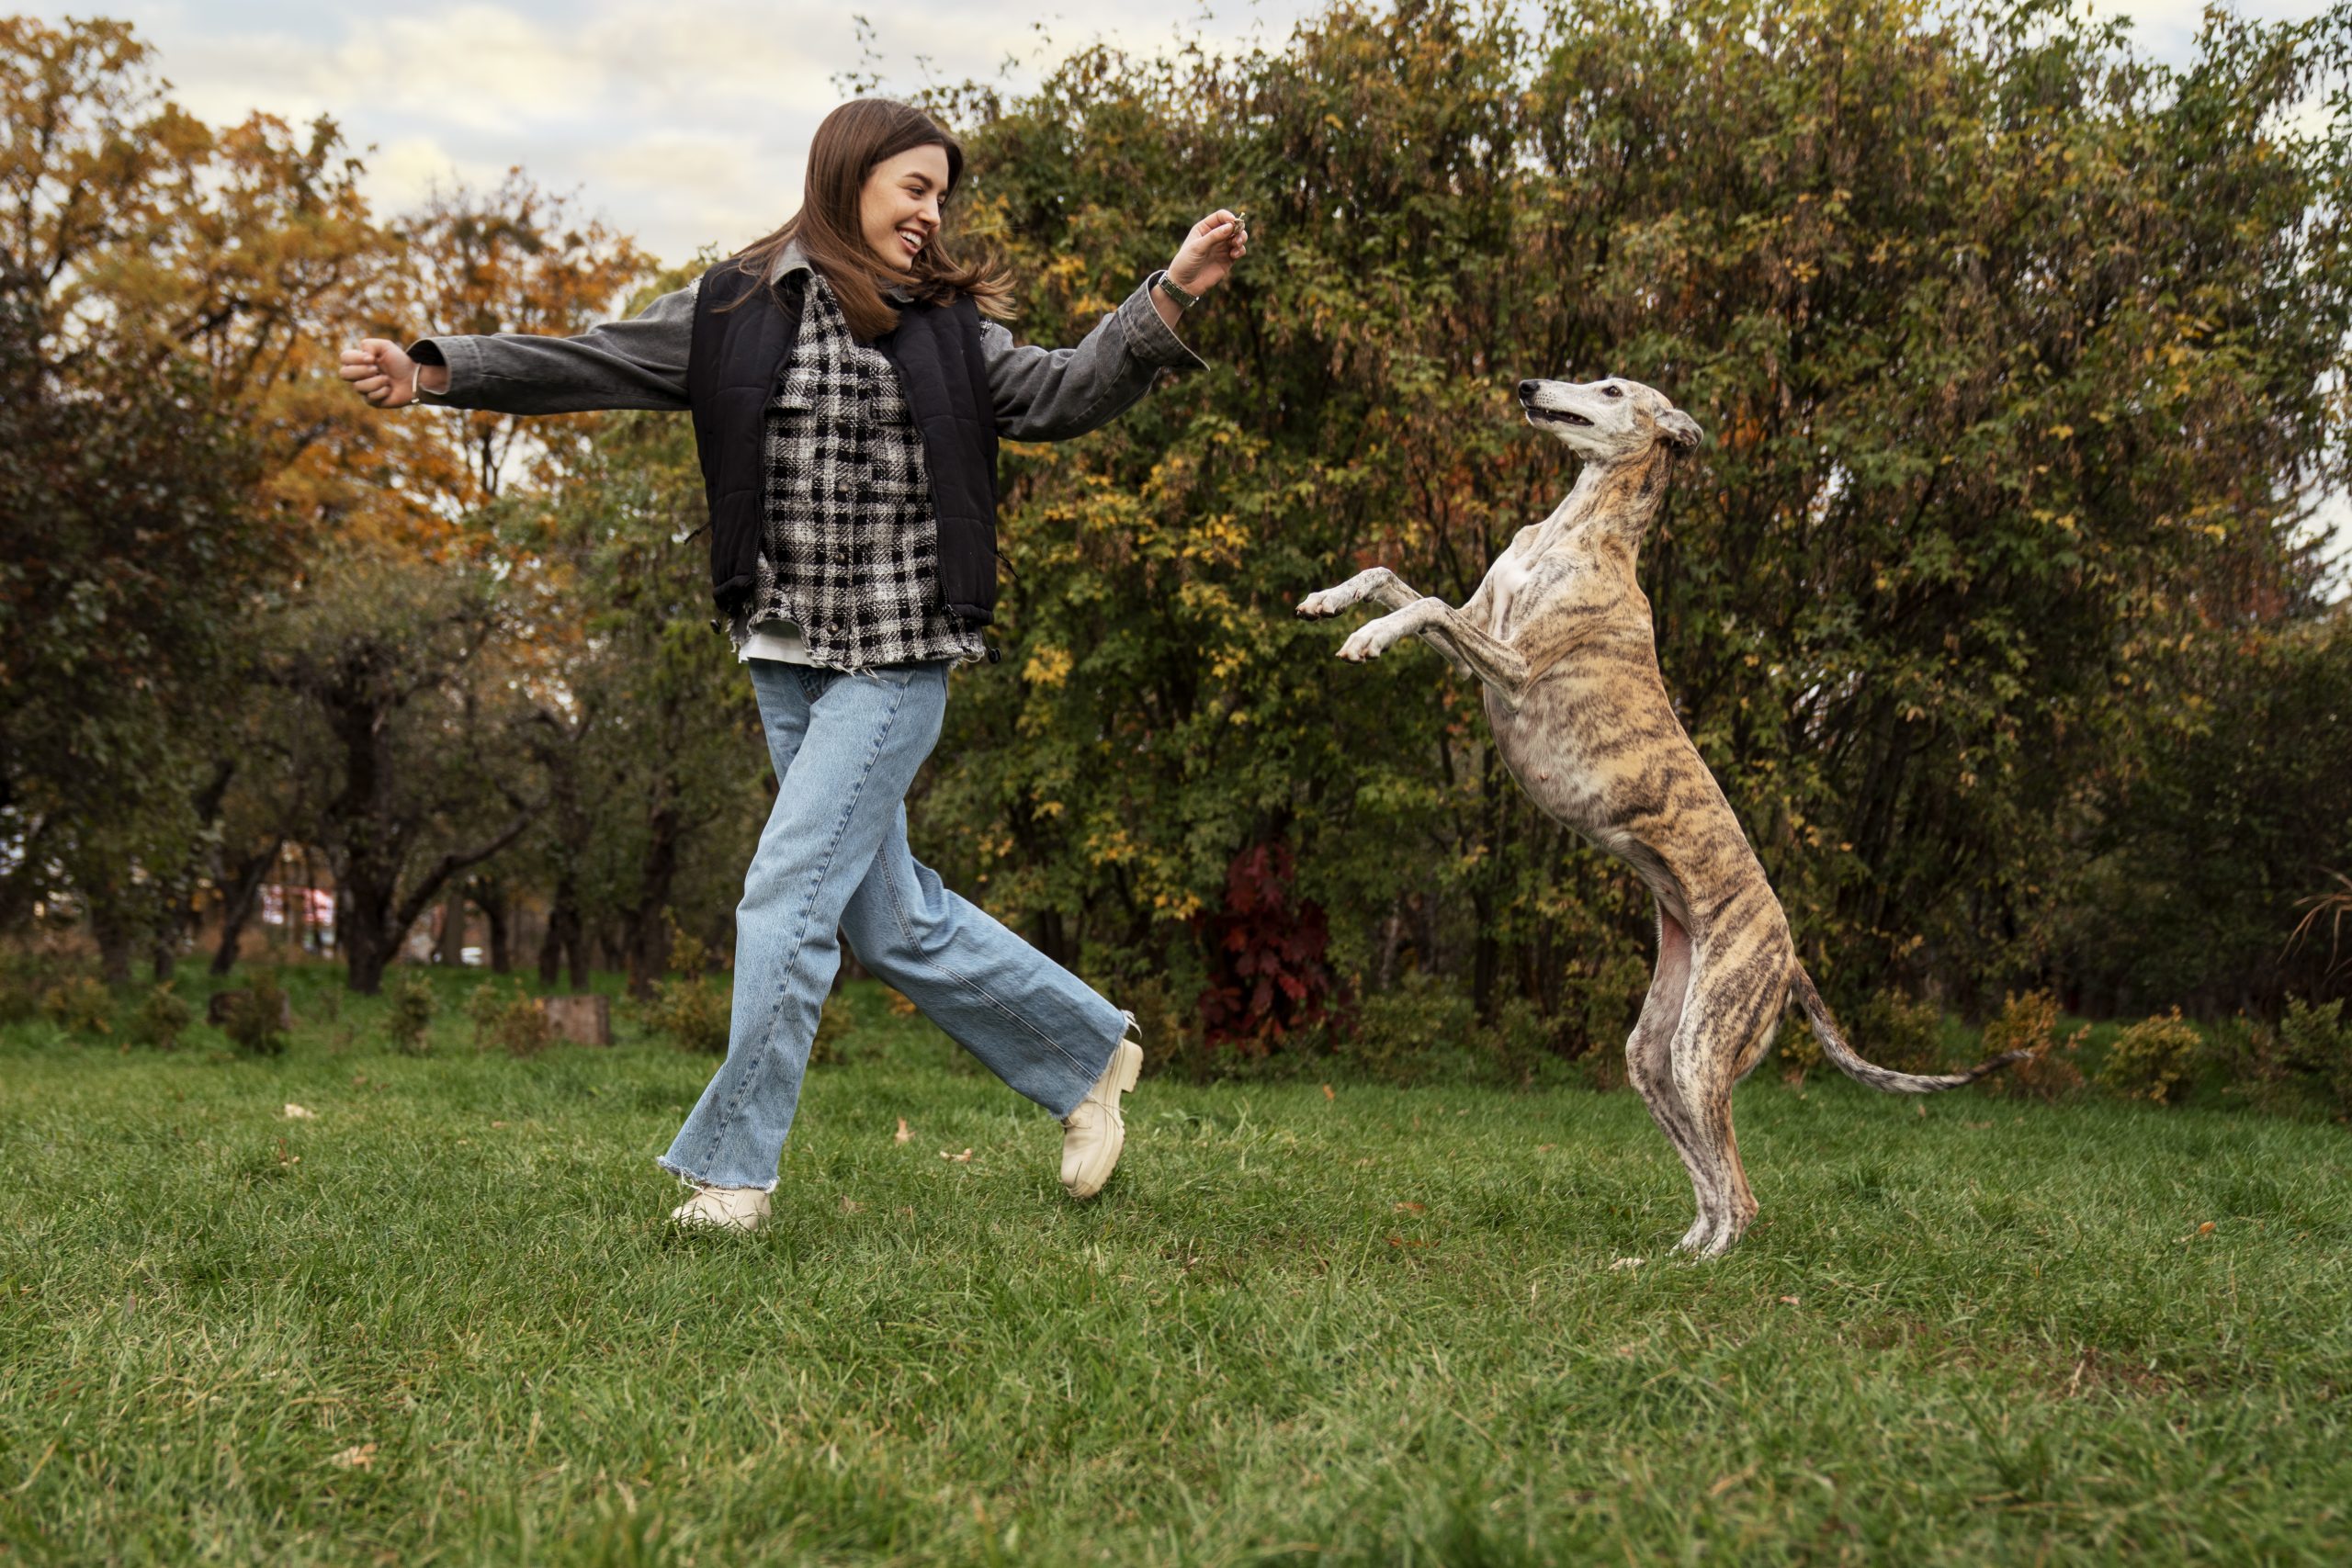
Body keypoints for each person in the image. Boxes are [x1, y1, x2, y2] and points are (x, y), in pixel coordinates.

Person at [341, 97, 1247, 1232]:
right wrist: (439, 372)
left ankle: (735, 1173)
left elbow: (1062, 394)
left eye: (940, 197)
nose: (931, 213)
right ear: (849, 174)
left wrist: (1164, 295)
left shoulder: (950, 330)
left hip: (900, 648)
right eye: (913, 188)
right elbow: (597, 359)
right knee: (887, 919)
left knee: (783, 897)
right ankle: (1084, 1054)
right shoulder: (731, 307)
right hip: (783, 650)